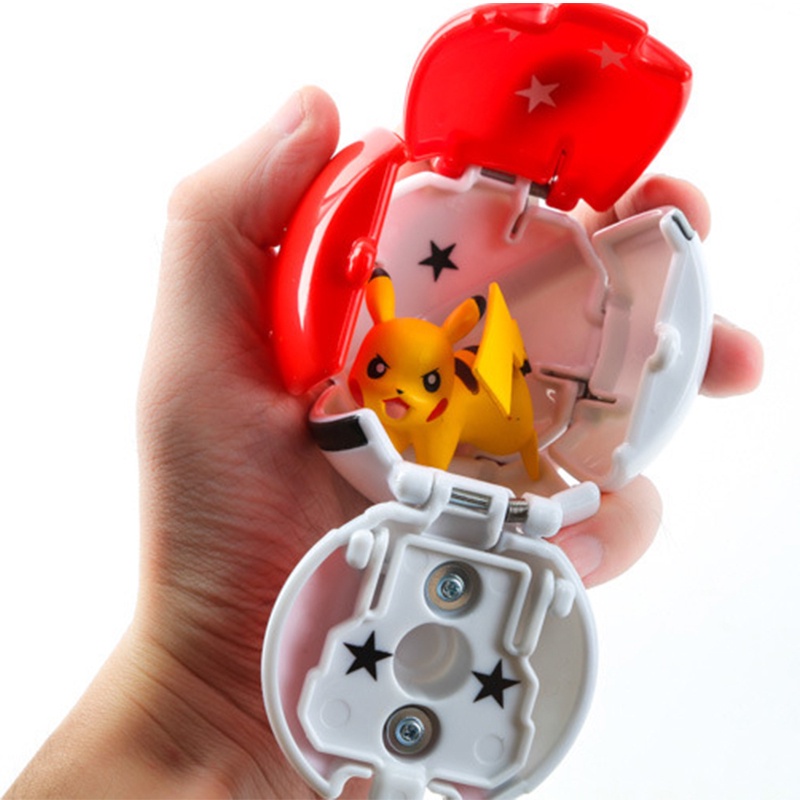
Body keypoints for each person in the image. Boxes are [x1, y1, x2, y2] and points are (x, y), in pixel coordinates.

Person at [4, 86, 763, 799]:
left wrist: (194, 711)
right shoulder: (386, 334)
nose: (397, 393)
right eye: (379, 372)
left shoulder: (491, 400)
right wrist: (200, 693)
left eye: (421, 383)